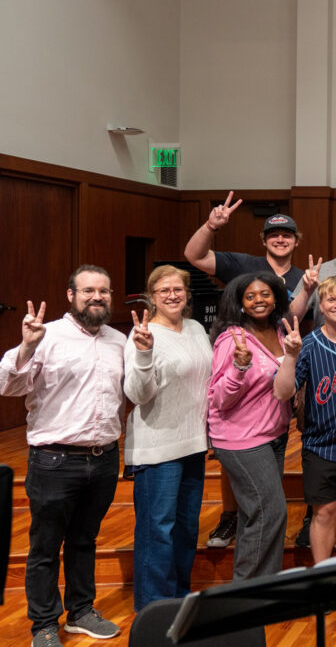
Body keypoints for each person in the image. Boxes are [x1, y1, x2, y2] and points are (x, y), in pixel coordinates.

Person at [1, 265, 124, 646]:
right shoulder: (46, 335)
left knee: (85, 540)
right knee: (44, 547)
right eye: (88, 290)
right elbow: (8, 385)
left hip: (104, 458)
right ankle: (44, 625)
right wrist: (26, 346)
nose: (96, 297)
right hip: (54, 460)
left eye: (103, 291)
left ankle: (81, 612)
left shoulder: (120, 340)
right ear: (71, 295)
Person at [183, 191, 305, 548]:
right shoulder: (243, 265)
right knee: (243, 452)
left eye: (286, 235)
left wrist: (310, 288)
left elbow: (295, 317)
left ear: (296, 240)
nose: (279, 240)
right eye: (273, 235)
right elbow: (194, 255)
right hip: (246, 376)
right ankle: (229, 516)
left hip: (285, 365)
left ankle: (257, 523)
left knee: (269, 474)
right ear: (264, 240)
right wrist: (211, 225)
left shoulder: (304, 274)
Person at [123, 266, 212, 611]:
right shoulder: (143, 334)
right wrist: (144, 353)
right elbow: (137, 394)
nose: (172, 295)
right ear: (152, 296)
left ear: (188, 293)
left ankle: (178, 603)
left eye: (178, 289)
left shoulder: (195, 328)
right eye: (164, 290)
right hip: (157, 448)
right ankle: (153, 611)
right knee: (157, 531)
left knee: (186, 529)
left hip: (193, 443)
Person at [274, 276, 336, 569]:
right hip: (321, 445)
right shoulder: (307, 344)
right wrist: (290, 357)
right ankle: (325, 579)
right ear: (321, 305)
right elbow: (282, 392)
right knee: (324, 512)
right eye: (331, 299)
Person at [207, 272, 292, 580]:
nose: (259, 300)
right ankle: (246, 595)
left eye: (265, 294)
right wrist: (240, 368)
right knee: (271, 512)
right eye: (251, 296)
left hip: (275, 435)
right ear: (240, 304)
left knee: (256, 516)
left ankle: (261, 588)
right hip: (241, 440)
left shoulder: (282, 331)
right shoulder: (232, 339)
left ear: (276, 299)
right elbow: (219, 399)